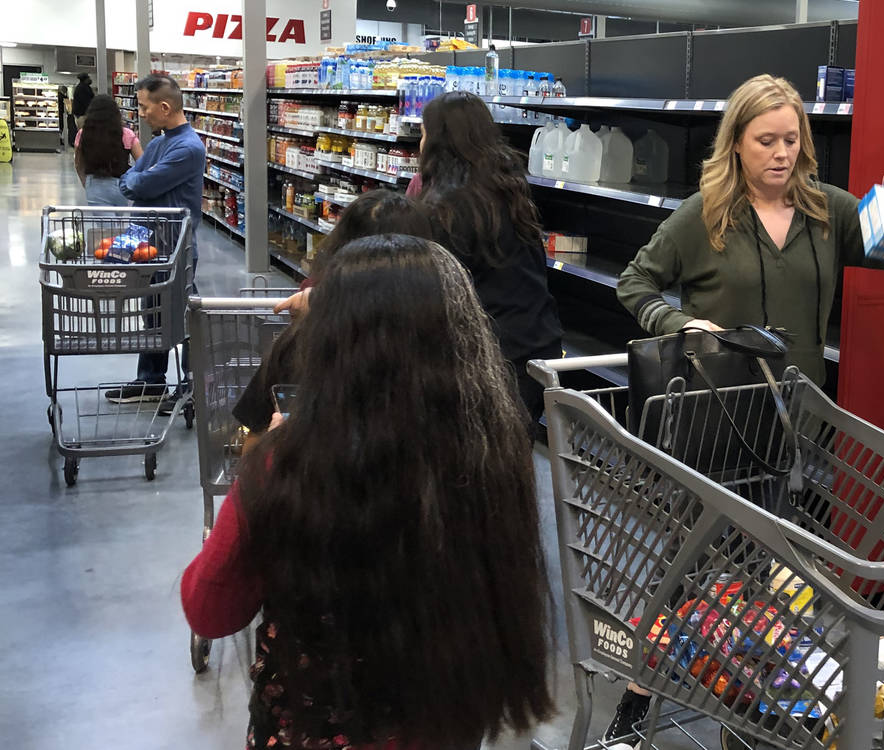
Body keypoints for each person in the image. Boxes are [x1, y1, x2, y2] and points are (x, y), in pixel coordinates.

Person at [606, 73, 884, 739]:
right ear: (736, 143)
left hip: (803, 428)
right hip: (718, 424)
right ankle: (638, 694)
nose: (780, 153)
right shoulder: (704, 217)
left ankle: (751, 716)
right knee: (696, 576)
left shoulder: (831, 212)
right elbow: (633, 281)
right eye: (765, 141)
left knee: (785, 580)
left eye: (791, 139)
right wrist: (677, 327)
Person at [181, 234, 555, 750]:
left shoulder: (288, 461)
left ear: (332, 345)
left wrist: (260, 458)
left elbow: (208, 607)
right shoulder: (490, 457)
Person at [234, 189, 433, 441]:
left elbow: (252, 445)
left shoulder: (302, 343)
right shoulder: (450, 346)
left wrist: (276, 443)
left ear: (339, 251)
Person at [416, 91, 563, 430]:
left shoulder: (444, 209)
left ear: (439, 141)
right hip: (536, 346)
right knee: (509, 458)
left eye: (423, 133)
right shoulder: (508, 189)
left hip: (486, 357)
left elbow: (432, 295)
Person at [103, 74, 205, 407]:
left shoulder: (188, 148)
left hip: (174, 245)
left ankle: (193, 385)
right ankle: (150, 381)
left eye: (145, 107)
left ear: (164, 106)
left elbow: (139, 185)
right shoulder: (161, 142)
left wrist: (136, 181)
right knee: (152, 313)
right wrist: (136, 180)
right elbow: (130, 177)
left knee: (185, 316)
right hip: (144, 240)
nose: (141, 113)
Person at [73, 94, 143, 206]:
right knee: (119, 222)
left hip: (94, 184)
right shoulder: (127, 134)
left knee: (104, 222)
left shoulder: (83, 134)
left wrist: (85, 182)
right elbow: (142, 162)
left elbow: (78, 163)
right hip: (120, 185)